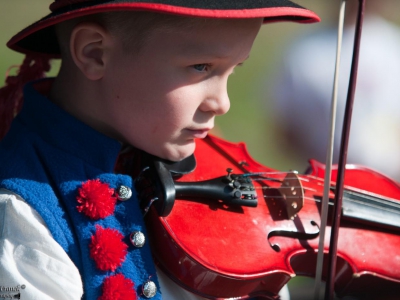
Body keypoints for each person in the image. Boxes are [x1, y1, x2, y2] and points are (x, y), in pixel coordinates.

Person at [0, 1, 319, 299]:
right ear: (95, 53)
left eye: (233, 69)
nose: (222, 103)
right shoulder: (21, 220)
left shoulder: (169, 145)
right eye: (201, 67)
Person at [271, 0, 400, 182]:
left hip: (392, 184)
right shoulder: (305, 50)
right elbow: (285, 130)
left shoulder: (394, 46)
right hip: (324, 184)